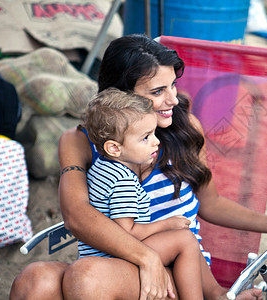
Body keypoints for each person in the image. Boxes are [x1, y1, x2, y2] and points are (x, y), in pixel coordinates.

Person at [10, 34, 267, 300]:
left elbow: (211, 202)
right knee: (33, 281)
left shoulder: (185, 128)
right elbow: (77, 215)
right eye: (158, 91)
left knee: (86, 277)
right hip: (118, 264)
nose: (173, 99)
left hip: (177, 272)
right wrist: (144, 257)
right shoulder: (80, 141)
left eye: (173, 85)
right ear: (120, 96)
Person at [80, 87, 203, 299]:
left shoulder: (102, 168)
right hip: (115, 255)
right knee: (185, 240)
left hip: (99, 253)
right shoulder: (123, 181)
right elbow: (127, 233)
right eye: (146, 137)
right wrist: (168, 223)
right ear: (114, 148)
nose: (156, 141)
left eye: (154, 133)